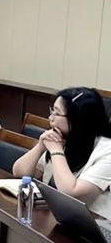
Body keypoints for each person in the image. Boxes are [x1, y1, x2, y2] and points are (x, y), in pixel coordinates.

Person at [13, 87, 111, 219]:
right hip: (58, 215)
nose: (50, 118)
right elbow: (20, 172)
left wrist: (56, 150)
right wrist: (40, 146)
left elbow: (70, 192)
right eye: (52, 111)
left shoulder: (107, 151)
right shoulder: (65, 137)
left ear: (78, 119)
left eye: (57, 113)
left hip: (94, 223)